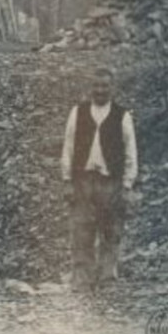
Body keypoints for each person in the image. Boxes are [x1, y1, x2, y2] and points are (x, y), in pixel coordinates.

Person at [59, 66, 139, 291]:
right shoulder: (78, 112)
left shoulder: (122, 116)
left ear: (112, 88)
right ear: (90, 87)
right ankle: (82, 279)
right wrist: (67, 180)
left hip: (110, 182)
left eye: (105, 86)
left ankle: (107, 278)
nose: (100, 90)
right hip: (82, 181)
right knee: (81, 231)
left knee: (111, 229)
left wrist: (127, 185)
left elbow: (130, 152)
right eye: (96, 85)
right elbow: (68, 147)